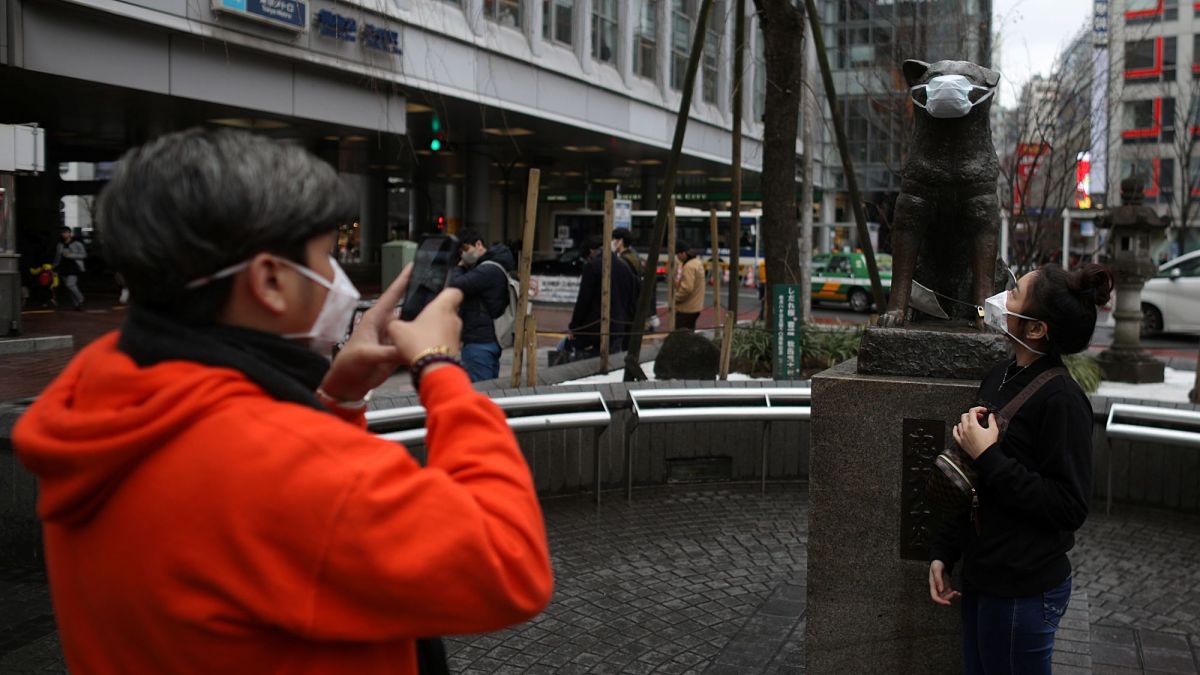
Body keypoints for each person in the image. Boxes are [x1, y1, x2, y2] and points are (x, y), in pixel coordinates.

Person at [13, 129, 553, 675]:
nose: (336, 279)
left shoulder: (103, 394)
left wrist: (335, 398)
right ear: (271, 280)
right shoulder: (276, 466)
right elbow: (508, 562)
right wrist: (440, 369)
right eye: (325, 256)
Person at [928, 262, 1113, 675]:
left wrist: (989, 455)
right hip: (982, 577)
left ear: (1036, 329)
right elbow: (973, 482)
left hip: (1024, 593)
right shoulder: (999, 375)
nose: (1000, 298)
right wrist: (944, 551)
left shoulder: (1062, 400)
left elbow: (1069, 506)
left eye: (1013, 293)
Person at [449, 229, 514, 382]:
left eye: (465, 249)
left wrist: (460, 266)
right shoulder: (491, 266)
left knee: (480, 393)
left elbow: (456, 285)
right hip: (487, 339)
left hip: (480, 342)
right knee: (489, 391)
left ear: (478, 244)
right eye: (460, 252)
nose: (463, 255)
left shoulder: (487, 270)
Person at [568, 235, 638, 353]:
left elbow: (584, 301)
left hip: (595, 328)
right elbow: (632, 296)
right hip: (620, 326)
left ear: (591, 251)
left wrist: (574, 327)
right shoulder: (624, 266)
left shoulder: (592, 267)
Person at [673, 240, 705, 331]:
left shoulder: (689, 267)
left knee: (681, 335)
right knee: (689, 333)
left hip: (686, 308)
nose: (677, 257)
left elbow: (687, 288)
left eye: (678, 254)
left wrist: (675, 298)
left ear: (683, 253)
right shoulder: (697, 262)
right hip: (695, 306)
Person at [54, 226, 87, 310]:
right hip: (63, 266)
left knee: (70, 284)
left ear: (70, 233)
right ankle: (77, 305)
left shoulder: (77, 243)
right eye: (62, 233)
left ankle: (81, 298)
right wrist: (55, 266)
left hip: (74, 266)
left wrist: (70, 255)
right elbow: (58, 257)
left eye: (65, 232)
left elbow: (84, 255)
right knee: (68, 287)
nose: (64, 234)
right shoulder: (60, 244)